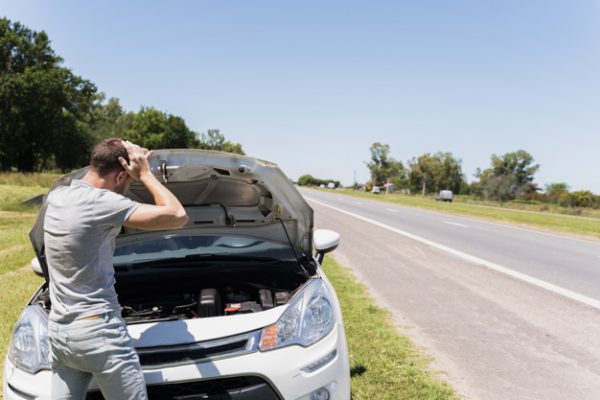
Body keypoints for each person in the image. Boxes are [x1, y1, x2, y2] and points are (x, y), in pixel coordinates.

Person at [44, 138, 188, 399]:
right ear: (121, 173)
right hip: (99, 334)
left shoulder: (57, 196)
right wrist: (145, 174)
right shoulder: (101, 203)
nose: (128, 185)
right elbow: (178, 215)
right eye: (128, 180)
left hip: (60, 333)